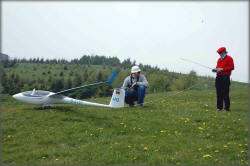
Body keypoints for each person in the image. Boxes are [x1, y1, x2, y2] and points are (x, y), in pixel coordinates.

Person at [213, 47, 234, 111]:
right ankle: (219, 107)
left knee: (225, 93)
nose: (219, 54)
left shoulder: (229, 58)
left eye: (220, 53)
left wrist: (222, 69)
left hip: (225, 77)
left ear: (224, 52)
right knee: (218, 92)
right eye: (219, 53)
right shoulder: (219, 60)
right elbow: (217, 67)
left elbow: (232, 67)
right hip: (218, 77)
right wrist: (216, 70)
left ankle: (227, 108)